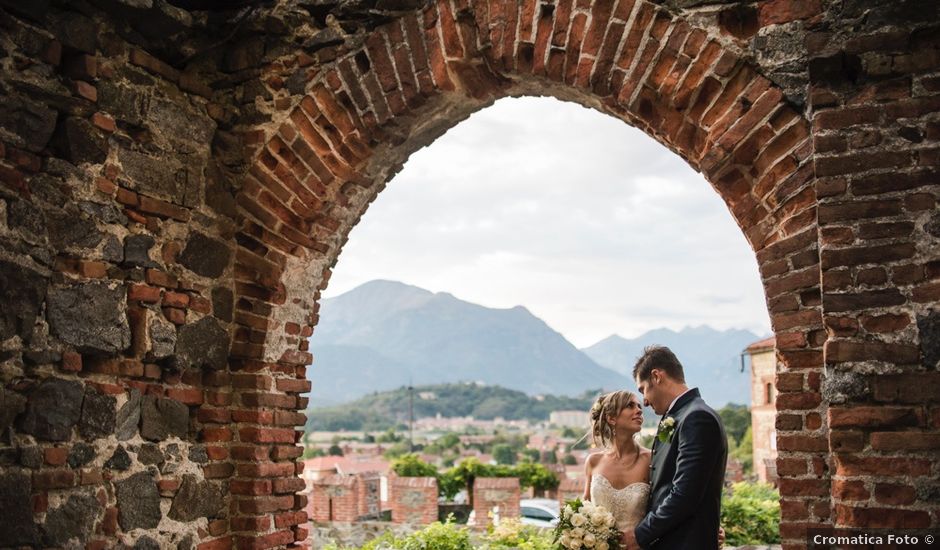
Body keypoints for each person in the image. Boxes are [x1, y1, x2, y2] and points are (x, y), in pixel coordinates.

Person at [622, 345, 729, 550]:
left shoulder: (697, 418)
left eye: (643, 389)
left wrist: (640, 535)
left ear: (657, 376)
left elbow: (684, 494)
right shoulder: (683, 415)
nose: (644, 402)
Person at [582, 390, 652, 534]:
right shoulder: (593, 462)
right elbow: (584, 510)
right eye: (630, 406)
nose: (639, 410)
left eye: (639, 406)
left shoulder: (651, 460)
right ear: (611, 418)